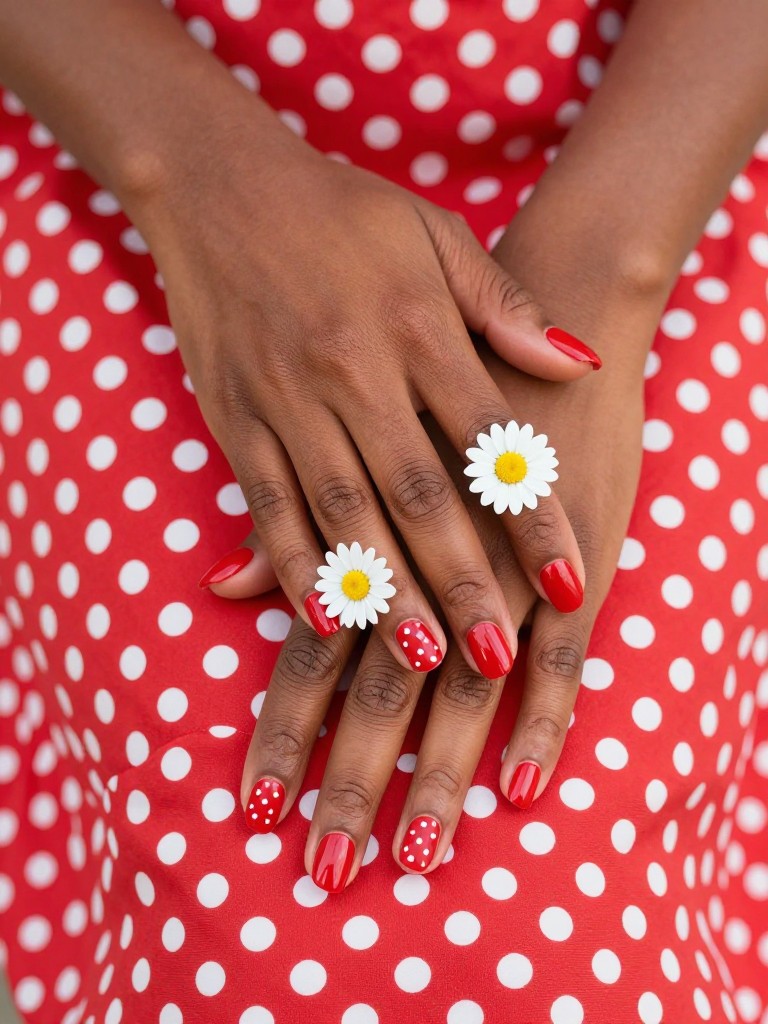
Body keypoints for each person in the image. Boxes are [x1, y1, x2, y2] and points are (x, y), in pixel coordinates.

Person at [0, 0, 766, 1020]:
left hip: (648, 162)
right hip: (141, 144)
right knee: (243, 935)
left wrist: (609, 274)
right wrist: (193, 182)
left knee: (554, 926)